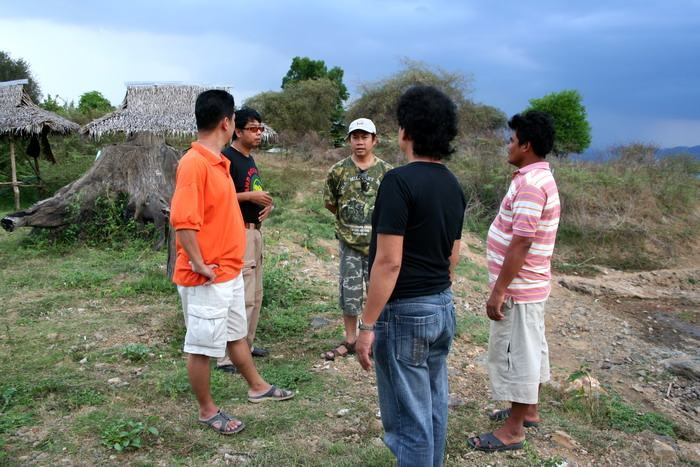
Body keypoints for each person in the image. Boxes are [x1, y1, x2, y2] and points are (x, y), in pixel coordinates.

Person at [170, 90, 293, 435]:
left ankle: (257, 386)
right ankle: (208, 411)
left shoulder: (220, 162)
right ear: (227, 123)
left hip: (229, 269)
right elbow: (182, 221)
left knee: (236, 334)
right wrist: (199, 263)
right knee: (202, 346)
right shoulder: (194, 163)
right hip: (208, 275)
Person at [355, 85, 466, 467]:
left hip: (405, 314)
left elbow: (388, 262)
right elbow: (454, 252)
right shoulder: (452, 184)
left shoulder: (398, 182)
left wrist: (366, 325)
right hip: (442, 307)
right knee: (433, 408)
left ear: (405, 131)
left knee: (409, 425)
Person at [467, 110, 559, 452]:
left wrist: (500, 290)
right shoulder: (533, 178)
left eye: (512, 139)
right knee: (529, 348)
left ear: (526, 145)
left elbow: (522, 240)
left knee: (517, 354)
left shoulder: (532, 186)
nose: (508, 145)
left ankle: (513, 430)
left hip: (520, 290)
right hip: (530, 286)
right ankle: (528, 410)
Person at [322, 118, 392, 360]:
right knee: (349, 293)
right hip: (349, 243)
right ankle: (351, 339)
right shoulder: (338, 170)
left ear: (375, 140)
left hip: (379, 245)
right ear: (349, 140)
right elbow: (331, 203)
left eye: (364, 137)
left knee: (379, 291)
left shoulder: (387, 172)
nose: (359, 142)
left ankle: (376, 340)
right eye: (355, 137)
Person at [216, 107, 272, 374]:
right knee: (242, 296)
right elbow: (218, 196)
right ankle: (228, 356)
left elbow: (254, 190)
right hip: (238, 232)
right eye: (253, 129)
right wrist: (249, 198)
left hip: (255, 231)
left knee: (256, 295)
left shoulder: (249, 160)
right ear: (237, 131)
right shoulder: (227, 158)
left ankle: (246, 347)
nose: (258, 133)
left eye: (260, 128)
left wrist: (265, 205)